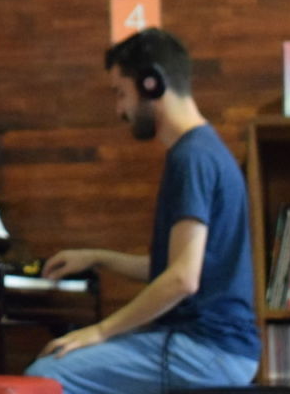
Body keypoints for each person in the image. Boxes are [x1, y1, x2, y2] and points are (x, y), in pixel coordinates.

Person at [24, 28, 261, 393]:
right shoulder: (206, 149)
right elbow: (173, 267)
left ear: (152, 84)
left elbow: (183, 279)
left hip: (204, 350)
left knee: (46, 377)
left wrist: (99, 331)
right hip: (221, 350)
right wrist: (96, 256)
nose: (120, 110)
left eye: (121, 93)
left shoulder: (191, 157)